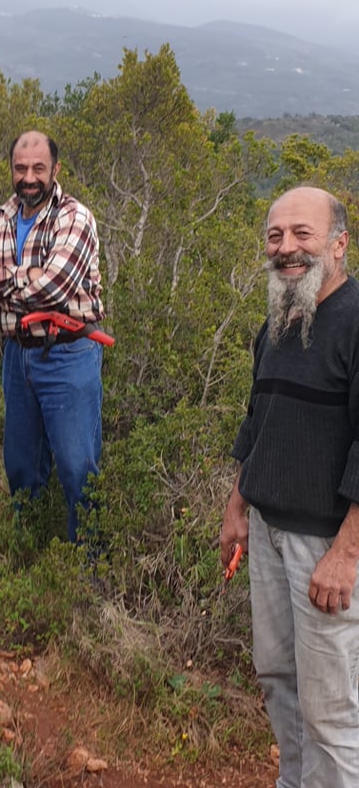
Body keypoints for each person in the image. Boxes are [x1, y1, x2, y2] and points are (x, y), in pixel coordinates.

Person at [220, 185, 359, 788]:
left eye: (302, 234)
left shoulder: (354, 322)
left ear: (338, 244)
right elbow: (258, 420)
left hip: (325, 549)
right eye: (276, 236)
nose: (287, 248)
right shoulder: (280, 319)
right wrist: (237, 505)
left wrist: (345, 553)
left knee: (330, 711)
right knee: (279, 682)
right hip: (271, 539)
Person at [0, 130, 106, 542]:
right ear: (11, 169)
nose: (29, 178)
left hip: (68, 354)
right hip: (17, 355)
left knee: (79, 468)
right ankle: (29, 553)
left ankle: (87, 566)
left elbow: (56, 287)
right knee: (22, 465)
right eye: (21, 168)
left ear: (55, 170)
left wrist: (2, 281)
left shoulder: (75, 217)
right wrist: (28, 279)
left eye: (38, 168)